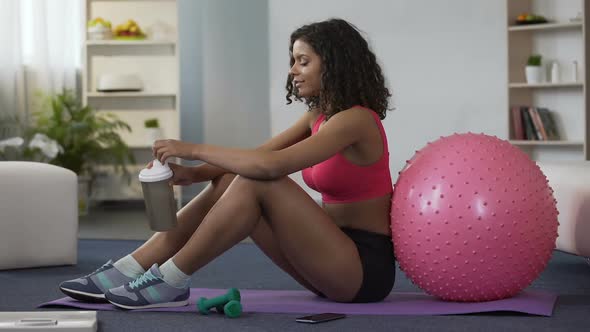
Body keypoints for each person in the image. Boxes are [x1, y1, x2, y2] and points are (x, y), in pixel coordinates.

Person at [59, 18, 395, 309]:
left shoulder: (356, 121)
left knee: (258, 180)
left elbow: (269, 166)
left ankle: (171, 279)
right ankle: (132, 266)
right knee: (229, 180)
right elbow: (261, 153)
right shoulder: (317, 117)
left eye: (303, 61)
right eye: (293, 61)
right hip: (325, 259)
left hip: (362, 269)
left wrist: (193, 148)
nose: (293, 71)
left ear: (334, 64)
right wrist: (194, 174)